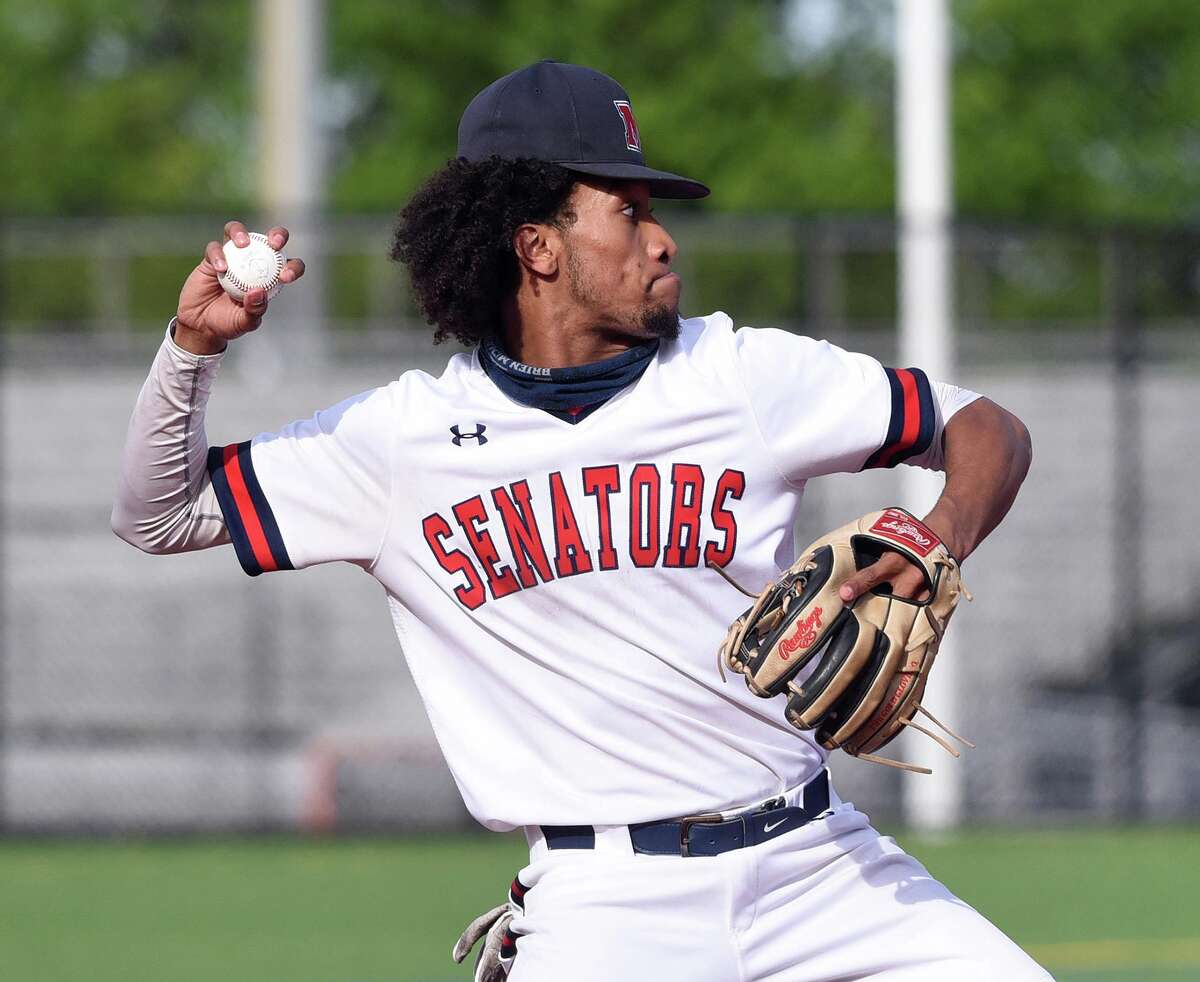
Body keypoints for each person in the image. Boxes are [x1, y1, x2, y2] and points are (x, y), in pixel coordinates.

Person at [113, 60, 1049, 980]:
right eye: (628, 210)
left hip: (819, 869)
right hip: (606, 907)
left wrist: (942, 534)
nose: (662, 239)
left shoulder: (740, 375)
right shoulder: (401, 443)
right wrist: (192, 348)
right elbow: (157, 513)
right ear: (539, 247)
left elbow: (984, 427)